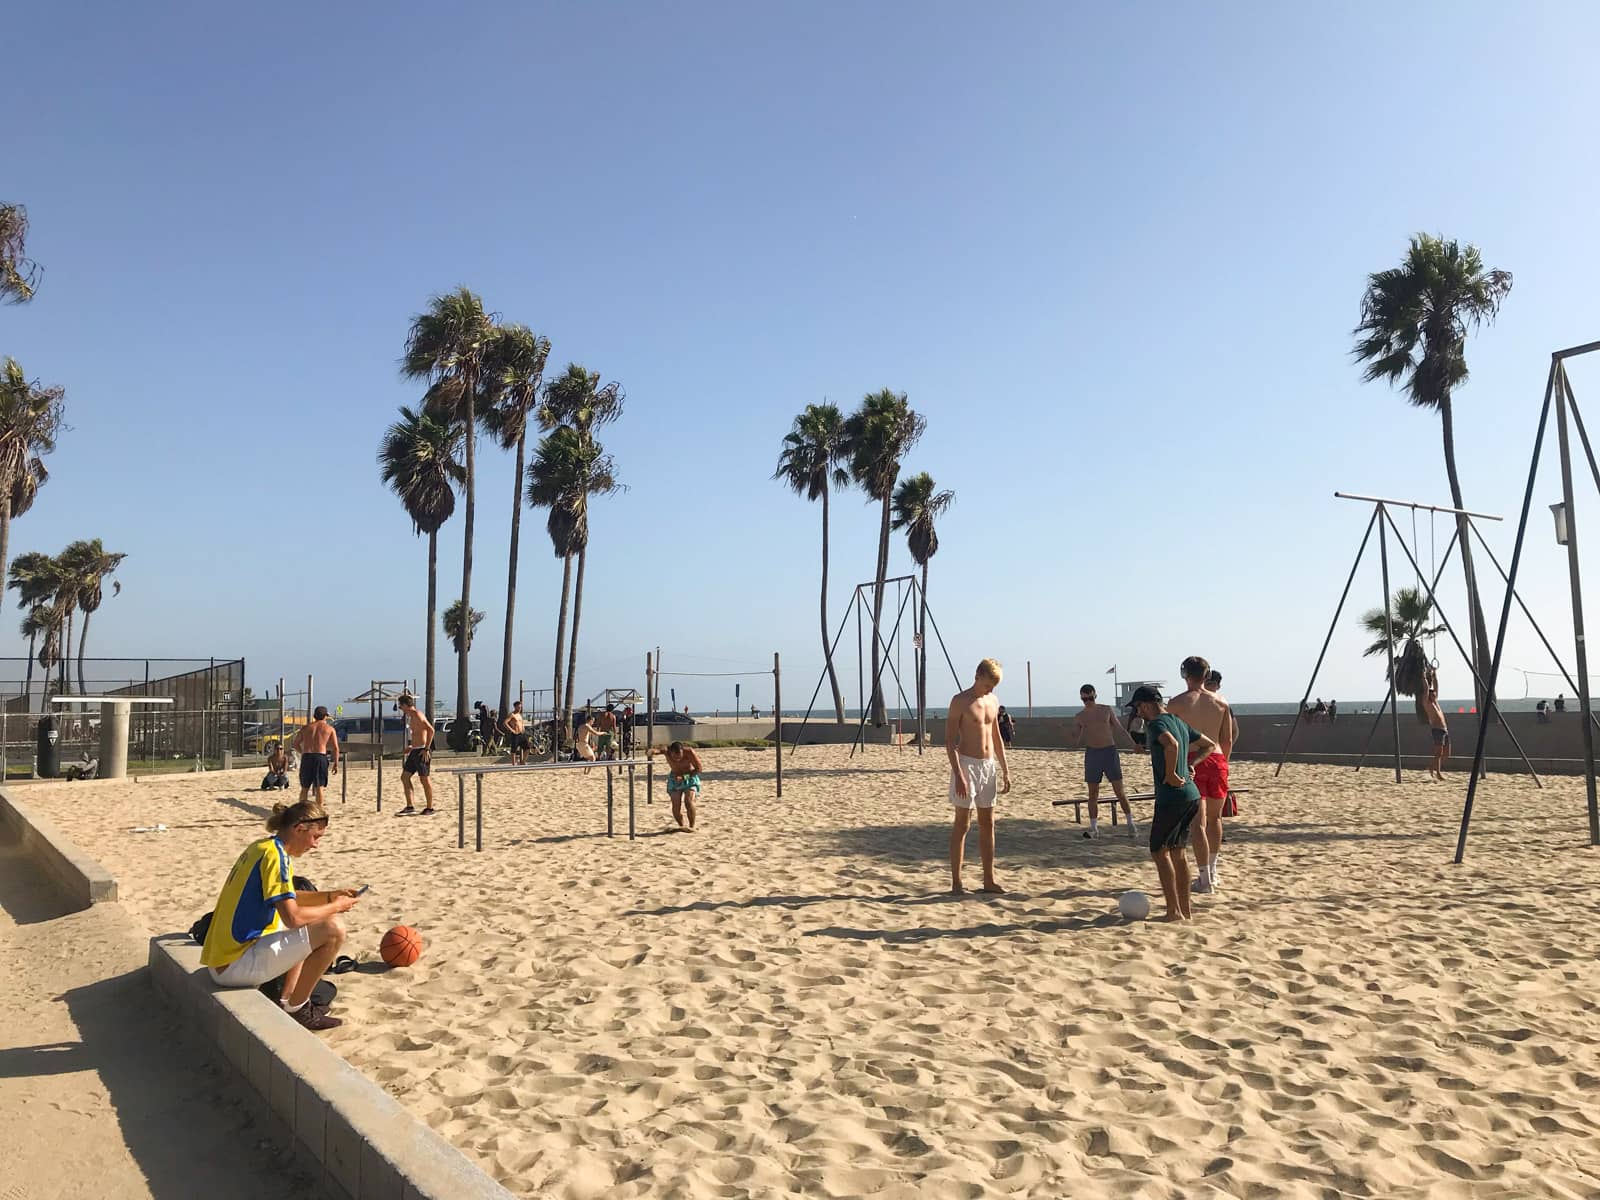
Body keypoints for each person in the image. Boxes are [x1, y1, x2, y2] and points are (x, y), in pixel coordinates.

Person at [199, 798, 360, 1031]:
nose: (315, 845)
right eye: (316, 837)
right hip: (235, 967)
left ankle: (287, 999)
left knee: (307, 925)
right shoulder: (277, 857)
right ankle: (299, 1008)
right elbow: (292, 917)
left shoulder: (261, 848)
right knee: (332, 929)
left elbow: (286, 896)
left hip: (223, 960)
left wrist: (329, 896)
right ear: (299, 829)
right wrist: (336, 907)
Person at [1129, 685, 1217, 922]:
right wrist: (1191, 765)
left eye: (1137, 708)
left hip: (1172, 798)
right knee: (1178, 852)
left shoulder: (1156, 724)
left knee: (1159, 851)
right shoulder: (1179, 722)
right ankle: (1185, 910)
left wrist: (1170, 773)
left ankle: (1173, 911)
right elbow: (1209, 745)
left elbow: (1171, 745)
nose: (1138, 713)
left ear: (1146, 705)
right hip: (1191, 795)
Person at [945, 658, 1012, 895]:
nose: (991, 689)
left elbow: (996, 737)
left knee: (988, 823)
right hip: (966, 764)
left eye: (994, 685)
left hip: (987, 766)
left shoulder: (993, 701)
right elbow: (950, 741)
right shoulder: (960, 701)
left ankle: (988, 880)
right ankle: (956, 882)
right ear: (977, 676)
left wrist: (1004, 769)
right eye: (988, 684)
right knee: (962, 823)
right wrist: (959, 774)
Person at [1166, 656, 1233, 893]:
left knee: (1198, 824)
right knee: (1215, 819)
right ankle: (1213, 872)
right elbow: (1227, 739)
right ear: (1207, 675)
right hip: (1216, 759)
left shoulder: (1176, 704)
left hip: (1191, 759)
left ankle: (1204, 878)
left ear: (1185, 674)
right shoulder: (1221, 702)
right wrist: (1224, 763)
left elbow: (1170, 740)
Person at [1070, 683, 1136, 838]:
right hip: (1092, 753)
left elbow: (1119, 728)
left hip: (1109, 751)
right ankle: (1094, 828)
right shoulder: (1080, 716)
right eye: (1085, 699)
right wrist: (1069, 731)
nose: (1088, 701)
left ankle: (1130, 824)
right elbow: (1076, 740)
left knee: (1119, 791)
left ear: (1095, 695)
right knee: (1093, 793)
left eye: (1090, 698)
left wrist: (1133, 744)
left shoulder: (1106, 709)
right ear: (1081, 699)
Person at [394, 694, 436, 815]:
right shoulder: (411, 717)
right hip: (415, 750)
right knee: (405, 777)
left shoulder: (418, 714)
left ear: (406, 705)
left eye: (400, 706)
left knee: (424, 779)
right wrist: (412, 746)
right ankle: (410, 806)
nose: (400, 708)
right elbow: (418, 734)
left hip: (422, 751)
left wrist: (427, 748)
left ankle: (430, 807)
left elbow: (431, 730)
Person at [649, 740, 704, 830]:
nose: (678, 759)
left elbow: (699, 769)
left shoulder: (689, 752)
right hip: (675, 779)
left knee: (688, 802)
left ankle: (691, 826)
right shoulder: (667, 751)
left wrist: (684, 777)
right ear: (671, 752)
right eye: (675, 757)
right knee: (676, 805)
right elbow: (659, 750)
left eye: (680, 757)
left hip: (689, 778)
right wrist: (653, 752)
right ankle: (681, 826)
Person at [291, 707, 339, 805]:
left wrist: (303, 752)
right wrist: (336, 763)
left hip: (307, 756)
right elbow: (335, 748)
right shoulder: (329, 729)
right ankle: (319, 810)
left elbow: (295, 744)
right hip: (320, 756)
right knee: (319, 787)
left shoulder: (306, 728)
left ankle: (302, 810)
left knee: (305, 787)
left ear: (314, 716)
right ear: (325, 716)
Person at [1420, 667, 1450, 780]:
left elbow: (1436, 686)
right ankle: (1438, 773)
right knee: (1438, 753)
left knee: (1447, 754)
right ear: (1429, 695)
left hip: (1444, 729)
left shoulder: (1435, 703)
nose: (1435, 695)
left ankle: (1432, 767)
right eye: (1433, 694)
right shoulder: (1427, 703)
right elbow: (1427, 688)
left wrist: (1434, 674)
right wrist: (1423, 676)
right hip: (1437, 730)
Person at [502, 700, 529, 765]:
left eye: (520, 707)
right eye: (519, 707)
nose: (520, 709)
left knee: (527, 748)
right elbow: (505, 723)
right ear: (515, 707)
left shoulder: (519, 714)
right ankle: (513, 763)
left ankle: (522, 762)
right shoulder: (512, 715)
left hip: (522, 734)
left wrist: (523, 729)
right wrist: (512, 730)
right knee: (514, 750)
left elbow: (521, 723)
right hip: (515, 734)